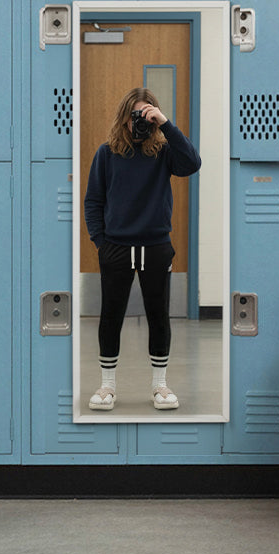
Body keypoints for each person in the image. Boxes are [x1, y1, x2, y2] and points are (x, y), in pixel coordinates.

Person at [82, 88, 202, 411]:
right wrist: (101, 243)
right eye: (137, 115)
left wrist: (164, 123)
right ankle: (107, 387)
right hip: (116, 248)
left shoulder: (163, 153)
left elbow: (192, 162)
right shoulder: (106, 154)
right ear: (125, 117)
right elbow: (93, 201)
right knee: (111, 316)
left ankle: (160, 386)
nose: (141, 122)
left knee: (158, 316)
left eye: (147, 115)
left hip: (156, 246)